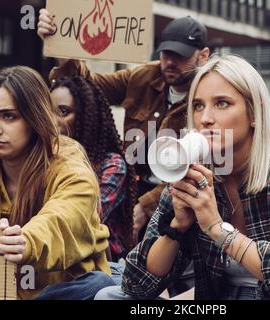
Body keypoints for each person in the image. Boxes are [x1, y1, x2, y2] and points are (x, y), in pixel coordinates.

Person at [95, 54, 270, 300]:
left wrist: (218, 230)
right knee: (110, 296)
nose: (205, 118)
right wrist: (177, 228)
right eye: (198, 106)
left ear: (253, 114)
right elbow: (135, 285)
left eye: (222, 103)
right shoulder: (191, 174)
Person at [38, 12, 211, 242]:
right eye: (166, 53)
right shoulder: (143, 77)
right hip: (131, 190)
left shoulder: (209, 94)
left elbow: (209, 167)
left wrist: (145, 206)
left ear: (203, 56)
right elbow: (89, 87)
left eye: (181, 56)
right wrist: (61, 45)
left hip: (181, 198)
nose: (170, 62)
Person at [0, 66, 114, 300]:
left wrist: (26, 242)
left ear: (35, 118)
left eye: (8, 116)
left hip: (65, 293)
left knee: (97, 285)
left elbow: (61, 219)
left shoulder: (73, 172)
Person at [50, 76, 137, 262]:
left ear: (85, 116)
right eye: (47, 111)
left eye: (63, 112)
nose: (52, 121)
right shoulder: (42, 158)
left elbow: (82, 220)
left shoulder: (112, 165)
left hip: (100, 264)